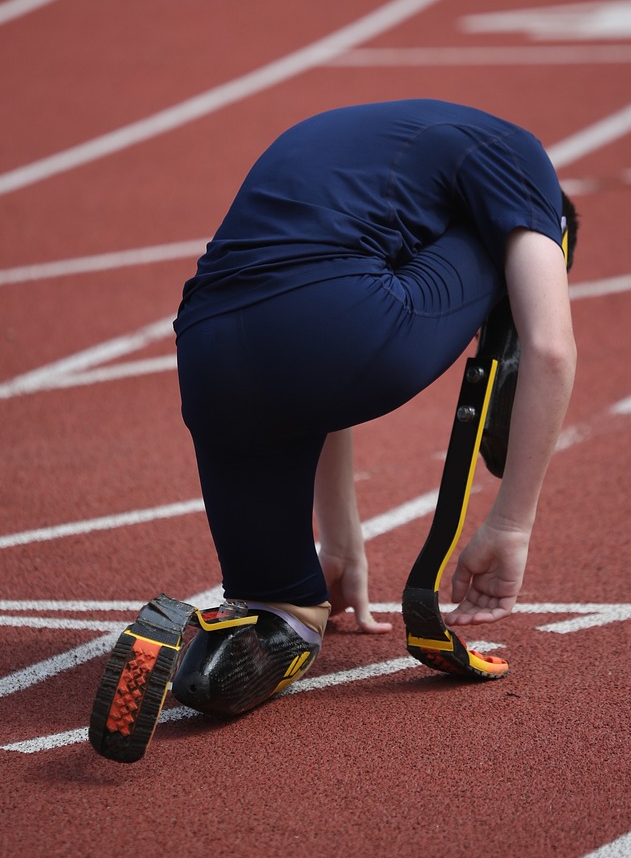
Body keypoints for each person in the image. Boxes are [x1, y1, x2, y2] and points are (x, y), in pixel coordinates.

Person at [165, 98, 578, 718]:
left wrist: (339, 543)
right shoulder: (520, 156)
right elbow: (551, 348)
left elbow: (298, 309)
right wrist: (510, 526)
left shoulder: (358, 138)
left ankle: (222, 655)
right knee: (512, 251)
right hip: (342, 335)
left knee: (284, 610)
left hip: (207, 356)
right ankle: (512, 323)